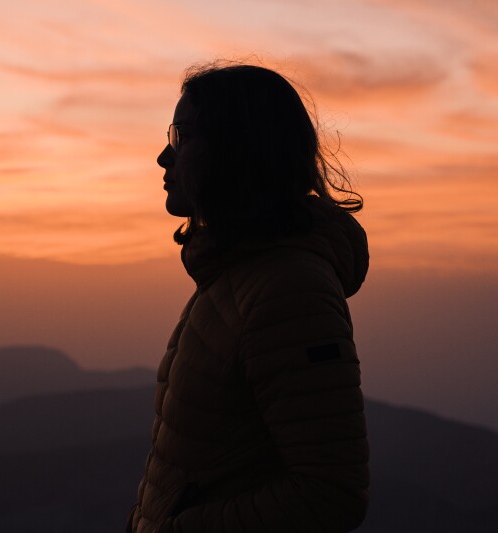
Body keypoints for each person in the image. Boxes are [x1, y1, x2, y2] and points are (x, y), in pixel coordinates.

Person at [126, 63, 370, 533]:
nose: (163, 157)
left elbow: (332, 494)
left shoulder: (289, 290)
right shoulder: (234, 276)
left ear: (237, 149)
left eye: (182, 136)